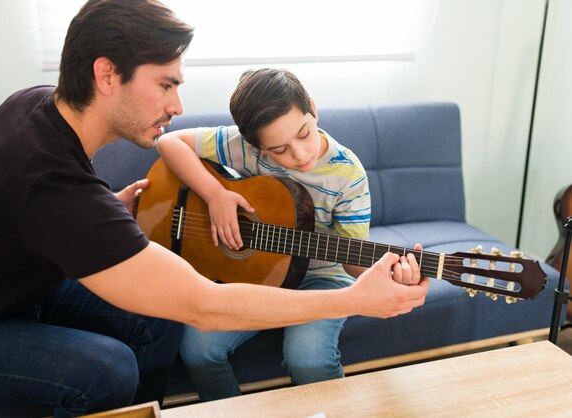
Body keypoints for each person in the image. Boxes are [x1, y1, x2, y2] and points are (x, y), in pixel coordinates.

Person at [0, 0, 429, 416]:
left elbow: (25, 211)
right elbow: (204, 304)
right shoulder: (57, 190)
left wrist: (92, 224)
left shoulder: (33, 105)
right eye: (165, 85)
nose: (178, 105)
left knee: (157, 319)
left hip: (16, 286)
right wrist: (355, 299)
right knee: (108, 368)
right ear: (107, 74)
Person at [155, 68, 426, 401]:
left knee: (308, 359)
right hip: (255, 277)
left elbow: (353, 260)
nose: (299, 155)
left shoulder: (347, 174)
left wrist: (392, 274)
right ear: (256, 145)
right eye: (279, 150)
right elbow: (168, 141)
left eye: (304, 133)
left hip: (323, 279)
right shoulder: (243, 148)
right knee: (198, 350)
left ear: (312, 108)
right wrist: (215, 194)